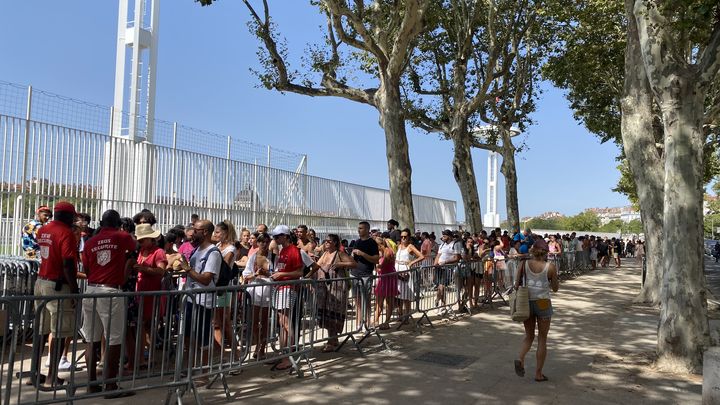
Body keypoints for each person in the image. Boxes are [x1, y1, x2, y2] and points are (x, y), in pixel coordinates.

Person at [81, 209, 136, 398]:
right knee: (114, 339)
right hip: (110, 291)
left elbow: (87, 268)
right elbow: (133, 247)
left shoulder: (90, 242)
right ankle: (111, 386)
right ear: (118, 223)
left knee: (91, 339)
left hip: (91, 290)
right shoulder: (122, 236)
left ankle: (91, 384)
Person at [30, 201, 80, 389]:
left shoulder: (43, 230)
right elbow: (67, 263)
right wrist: (74, 289)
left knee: (40, 331)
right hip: (58, 285)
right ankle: (52, 377)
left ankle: (34, 374)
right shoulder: (65, 232)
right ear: (66, 216)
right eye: (72, 216)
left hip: (41, 282)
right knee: (59, 331)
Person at [181, 220, 222, 386]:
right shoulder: (197, 250)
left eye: (195, 230)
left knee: (203, 338)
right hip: (191, 299)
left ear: (205, 232)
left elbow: (206, 279)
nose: (192, 233)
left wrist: (188, 269)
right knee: (190, 337)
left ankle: (204, 373)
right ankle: (191, 369)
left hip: (203, 301)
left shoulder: (213, 253)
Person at [514, 239, 559, 383]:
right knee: (542, 338)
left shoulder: (523, 264)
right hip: (543, 302)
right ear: (546, 252)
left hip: (526, 302)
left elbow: (516, 284)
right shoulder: (550, 267)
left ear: (532, 250)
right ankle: (538, 374)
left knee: (529, 336)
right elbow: (555, 288)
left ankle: (520, 357)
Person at [269, 225, 304, 371]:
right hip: (281, 288)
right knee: (282, 323)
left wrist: (281, 275)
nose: (275, 239)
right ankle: (285, 354)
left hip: (288, 288)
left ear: (285, 236)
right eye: (274, 237)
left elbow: (299, 272)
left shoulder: (293, 250)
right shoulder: (283, 250)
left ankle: (289, 355)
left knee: (285, 322)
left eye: (277, 237)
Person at [313, 233, 356, 352]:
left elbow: (353, 264)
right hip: (325, 288)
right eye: (325, 241)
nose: (326, 243)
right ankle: (333, 339)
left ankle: (331, 341)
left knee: (333, 313)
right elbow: (317, 266)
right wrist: (307, 276)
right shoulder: (325, 254)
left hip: (337, 288)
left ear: (335, 243)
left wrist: (340, 264)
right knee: (326, 313)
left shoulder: (340, 253)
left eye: (329, 241)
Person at [133, 224, 167, 367]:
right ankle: (143, 355)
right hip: (141, 291)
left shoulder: (158, 252)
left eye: (142, 240)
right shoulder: (141, 250)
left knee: (149, 325)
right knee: (142, 325)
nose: (140, 242)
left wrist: (143, 269)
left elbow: (161, 271)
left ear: (150, 239)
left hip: (152, 293)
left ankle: (151, 356)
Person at [243, 232, 272, 359]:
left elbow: (278, 274)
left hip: (268, 289)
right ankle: (257, 344)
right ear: (258, 243)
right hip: (254, 291)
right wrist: (255, 274)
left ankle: (262, 348)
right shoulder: (253, 257)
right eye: (262, 242)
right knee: (254, 320)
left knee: (265, 320)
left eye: (266, 241)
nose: (264, 244)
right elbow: (245, 276)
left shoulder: (273, 257)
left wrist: (266, 274)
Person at [212, 220, 237, 349]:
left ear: (225, 233)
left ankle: (235, 353)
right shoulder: (217, 245)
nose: (215, 234)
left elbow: (225, 266)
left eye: (217, 232)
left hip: (224, 286)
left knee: (225, 321)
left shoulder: (230, 248)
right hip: (215, 286)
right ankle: (219, 353)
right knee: (216, 322)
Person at [349, 221, 380, 326]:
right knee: (357, 301)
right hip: (354, 274)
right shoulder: (356, 242)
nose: (359, 230)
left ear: (367, 230)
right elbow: (352, 257)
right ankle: (359, 323)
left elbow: (376, 259)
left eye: (361, 228)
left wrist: (362, 254)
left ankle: (366, 323)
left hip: (365, 275)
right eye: (358, 228)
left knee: (365, 301)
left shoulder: (372, 243)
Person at [395, 229, 425, 323]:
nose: (403, 238)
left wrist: (412, 262)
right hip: (397, 270)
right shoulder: (398, 246)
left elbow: (421, 256)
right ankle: (400, 315)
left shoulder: (410, 246)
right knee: (398, 294)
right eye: (402, 236)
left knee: (406, 295)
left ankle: (407, 316)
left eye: (405, 236)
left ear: (408, 237)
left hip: (405, 271)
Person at [434, 229, 462, 313]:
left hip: (448, 268)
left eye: (444, 236)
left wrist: (445, 262)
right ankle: (442, 303)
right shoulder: (442, 245)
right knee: (440, 287)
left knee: (442, 286)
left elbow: (457, 258)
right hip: (439, 268)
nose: (442, 237)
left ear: (449, 236)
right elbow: (438, 255)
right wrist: (434, 264)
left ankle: (440, 303)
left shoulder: (455, 244)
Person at [373, 237, 397, 330]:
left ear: (379, 245)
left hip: (388, 278)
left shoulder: (388, 251)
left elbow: (381, 266)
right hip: (383, 278)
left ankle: (387, 322)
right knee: (379, 301)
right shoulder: (383, 252)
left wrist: (376, 264)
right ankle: (375, 321)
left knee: (388, 301)